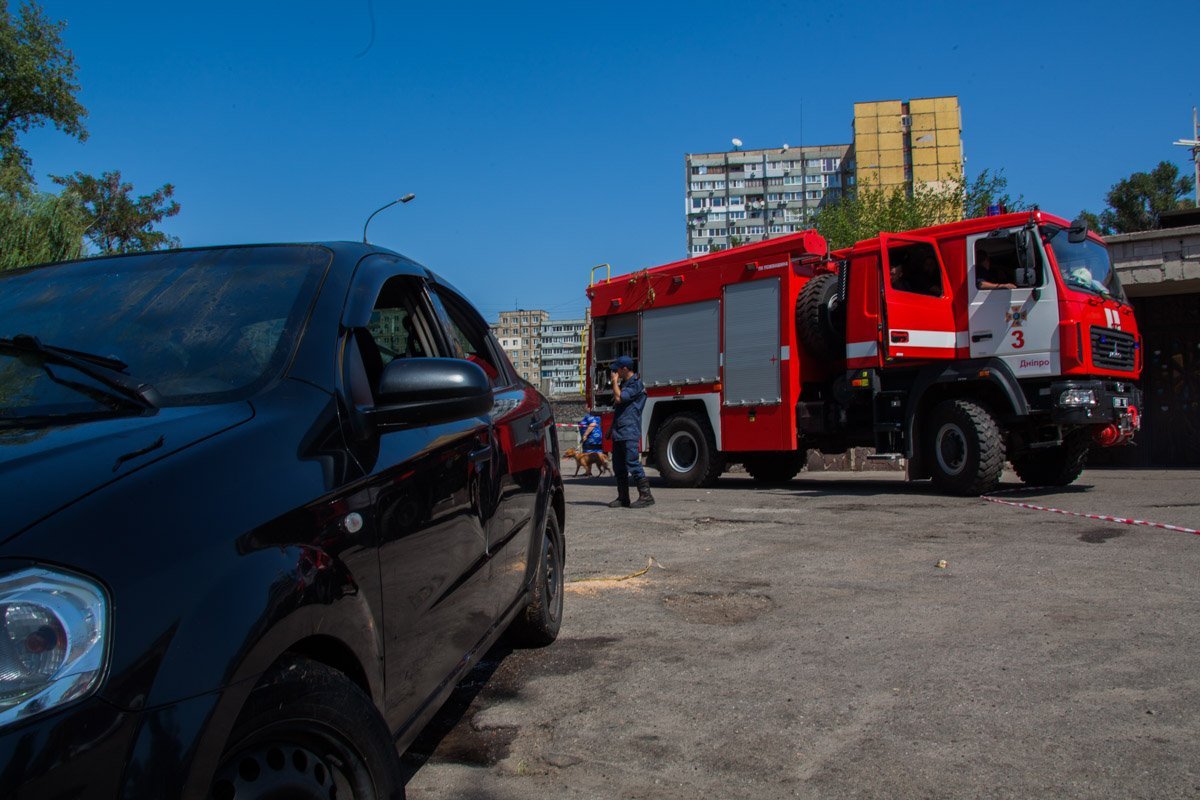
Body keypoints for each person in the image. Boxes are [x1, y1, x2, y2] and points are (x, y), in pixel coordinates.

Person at [607, 355, 654, 508]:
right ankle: (623, 497)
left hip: (629, 430)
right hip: (619, 431)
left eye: (617, 369)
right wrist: (610, 428)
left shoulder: (636, 385)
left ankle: (646, 496)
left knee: (632, 463)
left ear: (625, 368)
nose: (615, 372)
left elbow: (620, 399)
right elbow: (620, 409)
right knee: (618, 466)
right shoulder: (626, 384)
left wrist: (614, 382)